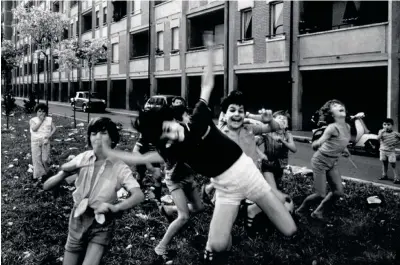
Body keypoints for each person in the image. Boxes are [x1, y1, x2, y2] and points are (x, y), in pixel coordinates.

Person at [102, 35, 296, 265]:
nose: (172, 133)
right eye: (165, 136)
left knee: (289, 230)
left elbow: (206, 85)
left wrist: (212, 53)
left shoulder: (197, 119)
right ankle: (216, 243)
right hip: (225, 188)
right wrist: (112, 153)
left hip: (249, 175)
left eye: (169, 127)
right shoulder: (173, 150)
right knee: (217, 246)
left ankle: (264, 212)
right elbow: (142, 156)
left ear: (171, 119)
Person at [43, 117, 149, 265]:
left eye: (103, 133)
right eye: (93, 133)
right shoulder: (82, 159)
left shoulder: (119, 166)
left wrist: (116, 207)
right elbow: (47, 186)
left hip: (102, 222)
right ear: (89, 139)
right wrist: (62, 174)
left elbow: (138, 195)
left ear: (112, 139)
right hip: (78, 218)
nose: (98, 137)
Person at [154, 104, 204, 261]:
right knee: (183, 217)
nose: (189, 116)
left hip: (187, 177)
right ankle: (160, 247)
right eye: (186, 114)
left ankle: (169, 209)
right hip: (175, 180)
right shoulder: (172, 137)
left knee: (199, 207)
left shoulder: (187, 131)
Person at [295, 99, 351, 220]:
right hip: (320, 161)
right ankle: (300, 210)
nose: (340, 106)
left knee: (338, 192)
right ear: (331, 113)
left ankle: (318, 212)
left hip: (333, 162)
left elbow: (342, 140)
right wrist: (316, 143)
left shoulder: (347, 126)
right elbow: (317, 143)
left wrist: (344, 149)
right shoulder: (331, 128)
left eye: (341, 105)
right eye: (335, 106)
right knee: (320, 194)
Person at [260, 110, 297, 190]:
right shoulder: (268, 133)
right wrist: (260, 154)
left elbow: (294, 149)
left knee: (277, 186)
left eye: (284, 119)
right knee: (271, 188)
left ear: (287, 124)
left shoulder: (287, 135)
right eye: (279, 119)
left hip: (280, 165)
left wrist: (283, 141)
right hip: (268, 164)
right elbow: (254, 143)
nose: (282, 121)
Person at [29, 103, 56, 180]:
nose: (41, 113)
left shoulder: (49, 119)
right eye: (39, 111)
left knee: (45, 158)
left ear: (46, 113)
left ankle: (47, 170)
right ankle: (39, 175)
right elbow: (34, 129)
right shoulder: (33, 120)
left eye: (43, 112)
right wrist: (40, 121)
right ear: (36, 112)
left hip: (45, 141)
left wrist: (50, 135)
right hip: (35, 141)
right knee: (36, 158)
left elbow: (54, 128)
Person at [377, 118, 400, 184]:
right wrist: (381, 133)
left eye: (388, 124)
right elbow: (377, 138)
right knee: (384, 163)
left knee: (393, 164)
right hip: (383, 150)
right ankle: (384, 175)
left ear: (392, 125)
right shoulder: (381, 131)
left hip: (391, 152)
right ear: (382, 125)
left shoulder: (395, 133)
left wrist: (397, 143)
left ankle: (396, 178)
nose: (386, 126)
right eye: (384, 124)